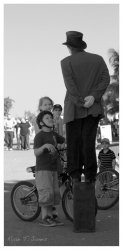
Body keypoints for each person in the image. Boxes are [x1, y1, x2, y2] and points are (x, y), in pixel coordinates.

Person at [61, 31, 110, 183]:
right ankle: (90, 179)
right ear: (81, 45)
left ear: (69, 46)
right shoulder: (98, 59)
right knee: (88, 143)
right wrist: (93, 97)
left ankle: (75, 179)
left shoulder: (65, 62)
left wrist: (81, 102)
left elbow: (71, 87)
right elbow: (105, 78)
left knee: (74, 144)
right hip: (92, 109)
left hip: (74, 109)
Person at [34, 110, 65, 226]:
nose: (51, 119)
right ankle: (44, 217)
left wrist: (63, 144)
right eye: (47, 118)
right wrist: (44, 146)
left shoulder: (54, 134)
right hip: (43, 169)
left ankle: (51, 217)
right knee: (46, 193)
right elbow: (36, 152)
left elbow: (64, 141)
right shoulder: (39, 136)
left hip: (53, 168)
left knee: (53, 193)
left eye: (51, 117)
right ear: (41, 123)